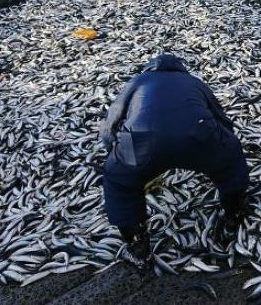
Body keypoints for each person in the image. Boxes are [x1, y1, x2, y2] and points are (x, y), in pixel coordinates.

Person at [99, 54, 249, 269]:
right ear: (181, 69)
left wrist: (115, 156)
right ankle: (233, 215)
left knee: (119, 182)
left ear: (150, 69)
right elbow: (221, 118)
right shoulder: (194, 82)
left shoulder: (137, 81)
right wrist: (225, 146)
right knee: (230, 161)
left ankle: (137, 247)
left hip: (142, 141)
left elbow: (110, 125)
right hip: (197, 136)